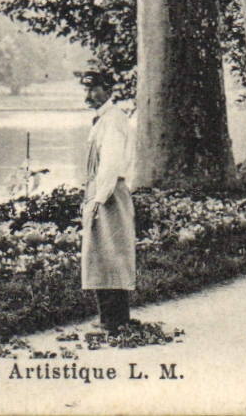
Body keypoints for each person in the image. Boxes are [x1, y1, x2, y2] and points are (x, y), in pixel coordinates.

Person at [82, 79, 137, 332]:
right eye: (87, 89)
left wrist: (99, 199)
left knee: (111, 252)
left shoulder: (113, 120)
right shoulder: (103, 120)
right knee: (100, 253)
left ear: (108, 90)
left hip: (109, 191)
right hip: (102, 189)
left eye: (94, 88)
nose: (89, 94)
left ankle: (114, 319)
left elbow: (111, 164)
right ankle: (111, 316)